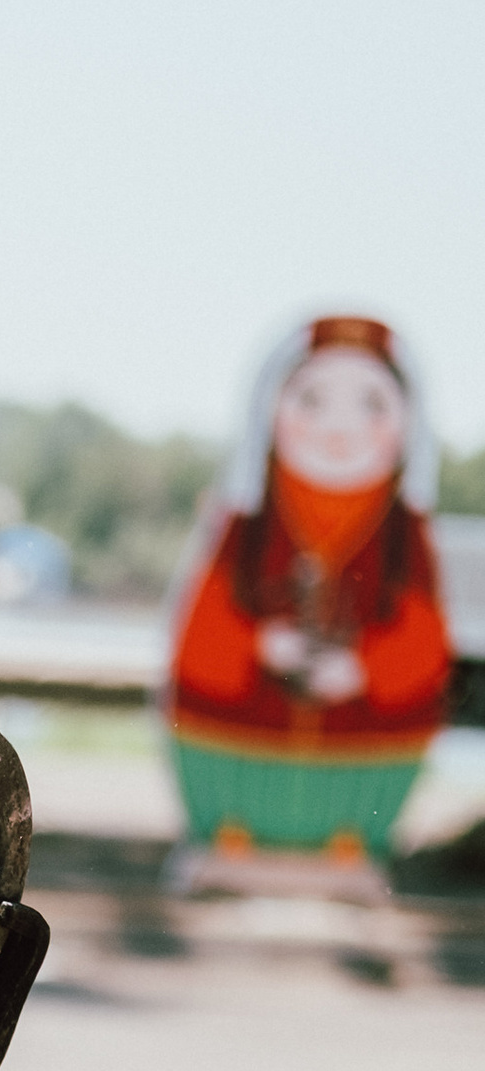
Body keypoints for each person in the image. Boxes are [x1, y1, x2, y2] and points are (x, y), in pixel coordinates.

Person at [164, 311, 451, 881]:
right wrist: (261, 646)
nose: (338, 427)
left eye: (372, 405)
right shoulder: (248, 522)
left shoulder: (402, 534)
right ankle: (226, 833)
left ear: (404, 425)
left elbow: (423, 637)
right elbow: (203, 628)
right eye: (312, 401)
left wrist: (366, 668)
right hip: (238, 740)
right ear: (273, 412)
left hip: (362, 750)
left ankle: (354, 842)